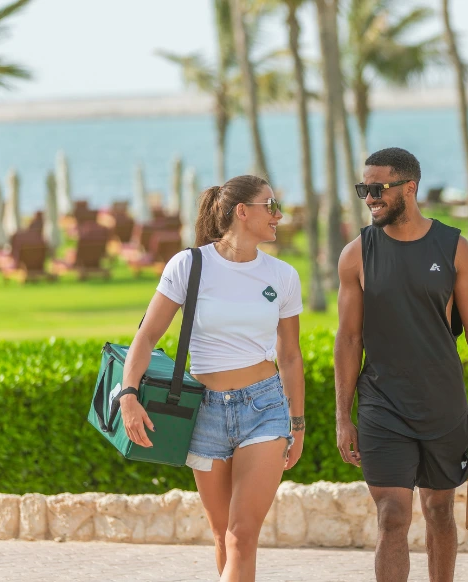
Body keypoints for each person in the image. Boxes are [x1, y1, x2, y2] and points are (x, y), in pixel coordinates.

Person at [334, 148, 468, 582]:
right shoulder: (356, 255)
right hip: (382, 406)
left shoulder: (454, 248)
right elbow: (349, 338)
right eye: (364, 190)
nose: (370, 198)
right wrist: (343, 415)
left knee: (438, 510)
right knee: (392, 515)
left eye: (378, 189)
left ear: (409, 188)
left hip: (442, 405)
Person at [119, 175, 305, 582]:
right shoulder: (189, 265)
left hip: (265, 408)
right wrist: (128, 394)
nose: (278, 215)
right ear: (242, 212)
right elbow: (147, 335)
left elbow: (290, 356)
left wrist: (298, 423)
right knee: (222, 537)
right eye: (270, 205)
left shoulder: (283, 276)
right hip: (203, 412)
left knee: (242, 536)